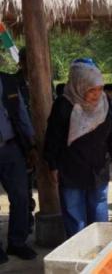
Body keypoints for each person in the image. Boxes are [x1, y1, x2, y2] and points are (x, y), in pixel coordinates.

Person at [44, 59, 112, 237]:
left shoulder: (104, 103)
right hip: (71, 166)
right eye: (91, 90)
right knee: (74, 209)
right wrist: (53, 165)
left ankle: (101, 244)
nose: (96, 94)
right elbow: (53, 138)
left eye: (99, 89)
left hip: (98, 164)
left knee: (99, 204)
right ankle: (78, 246)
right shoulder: (64, 105)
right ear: (78, 85)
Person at [0, 71, 38, 264]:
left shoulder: (8, 81)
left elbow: (21, 112)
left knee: (21, 197)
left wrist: (31, 145)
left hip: (11, 147)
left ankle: (16, 242)